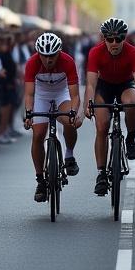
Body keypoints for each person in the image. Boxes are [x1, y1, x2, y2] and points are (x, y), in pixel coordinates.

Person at [85, 18, 135, 195]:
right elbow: (90, 84)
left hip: (125, 84)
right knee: (102, 126)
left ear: (124, 38)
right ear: (103, 38)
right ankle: (101, 174)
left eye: (118, 39)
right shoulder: (95, 52)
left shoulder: (133, 52)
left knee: (131, 103)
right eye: (110, 39)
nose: (114, 43)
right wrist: (88, 103)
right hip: (104, 86)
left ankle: (130, 139)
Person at [22, 32, 80, 203]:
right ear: (38, 53)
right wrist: (28, 113)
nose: (48, 60)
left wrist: (74, 111)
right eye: (44, 56)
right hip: (41, 95)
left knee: (69, 122)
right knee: (38, 134)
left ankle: (69, 155)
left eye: (52, 56)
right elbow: (29, 94)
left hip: (62, 94)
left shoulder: (68, 61)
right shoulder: (32, 63)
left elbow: (75, 95)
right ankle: (40, 181)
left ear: (59, 52)